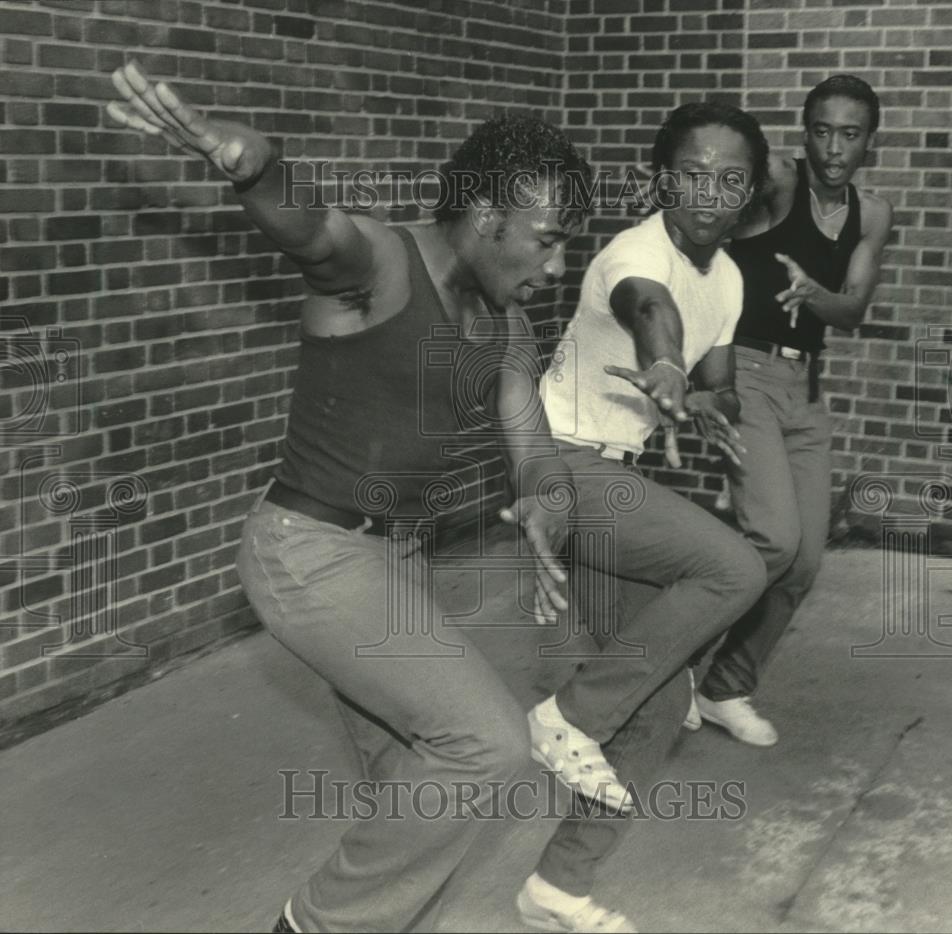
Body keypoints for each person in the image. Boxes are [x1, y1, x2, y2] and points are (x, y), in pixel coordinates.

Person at [106, 60, 608, 933]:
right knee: (486, 744)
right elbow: (314, 232)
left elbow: (531, 443)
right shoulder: (382, 265)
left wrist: (545, 498)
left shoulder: (504, 322)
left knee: (418, 784)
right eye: (549, 239)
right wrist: (253, 167)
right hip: (311, 551)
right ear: (488, 219)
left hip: (392, 563)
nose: (557, 266)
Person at [517, 102, 771, 933]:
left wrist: (699, 398)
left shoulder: (729, 278)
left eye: (731, 179)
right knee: (734, 567)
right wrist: (664, 362)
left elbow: (722, 377)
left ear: (750, 191)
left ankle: (556, 887)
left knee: (660, 705)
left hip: (612, 471)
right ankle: (569, 715)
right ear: (663, 180)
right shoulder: (634, 252)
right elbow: (649, 309)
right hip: (560, 461)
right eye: (693, 173)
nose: (711, 191)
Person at [686, 75, 894, 746]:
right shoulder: (778, 179)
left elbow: (853, 310)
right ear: (805, 135)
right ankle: (671, 659)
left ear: (869, 142)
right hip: (743, 369)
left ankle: (725, 687)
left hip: (805, 389)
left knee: (804, 560)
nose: (835, 148)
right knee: (773, 537)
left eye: (850, 134)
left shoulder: (871, 213)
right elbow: (701, 209)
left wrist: (813, 294)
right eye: (823, 131)